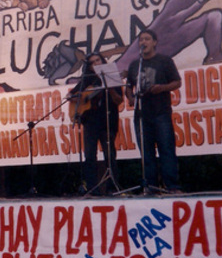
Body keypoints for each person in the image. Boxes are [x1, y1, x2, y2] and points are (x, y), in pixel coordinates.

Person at [125, 29, 182, 193]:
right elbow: (129, 87)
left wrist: (162, 88)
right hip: (141, 114)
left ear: (155, 42)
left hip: (161, 112)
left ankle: (172, 186)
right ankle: (151, 187)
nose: (143, 42)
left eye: (147, 39)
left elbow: (177, 82)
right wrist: (130, 98)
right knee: (146, 153)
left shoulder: (164, 61)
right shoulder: (135, 64)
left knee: (166, 149)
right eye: (141, 40)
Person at [69, 52, 123, 194]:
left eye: (98, 60)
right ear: (90, 67)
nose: (96, 63)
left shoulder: (112, 76)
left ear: (103, 61)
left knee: (109, 155)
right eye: (92, 62)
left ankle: (112, 188)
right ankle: (93, 188)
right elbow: (70, 96)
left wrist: (110, 90)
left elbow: (119, 100)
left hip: (108, 120)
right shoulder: (87, 80)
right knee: (90, 156)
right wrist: (79, 99)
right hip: (90, 122)